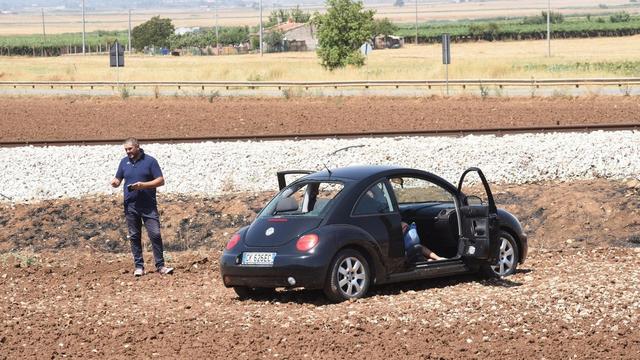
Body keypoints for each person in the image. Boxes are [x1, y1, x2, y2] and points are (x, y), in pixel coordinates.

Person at [110, 138, 174, 276]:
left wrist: (143, 185)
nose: (128, 152)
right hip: (130, 206)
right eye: (126, 150)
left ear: (137, 147)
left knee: (155, 234)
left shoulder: (150, 161)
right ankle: (139, 266)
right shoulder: (123, 162)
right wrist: (115, 182)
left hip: (148, 206)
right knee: (134, 236)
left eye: (130, 149)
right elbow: (118, 178)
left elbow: (160, 180)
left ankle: (161, 265)